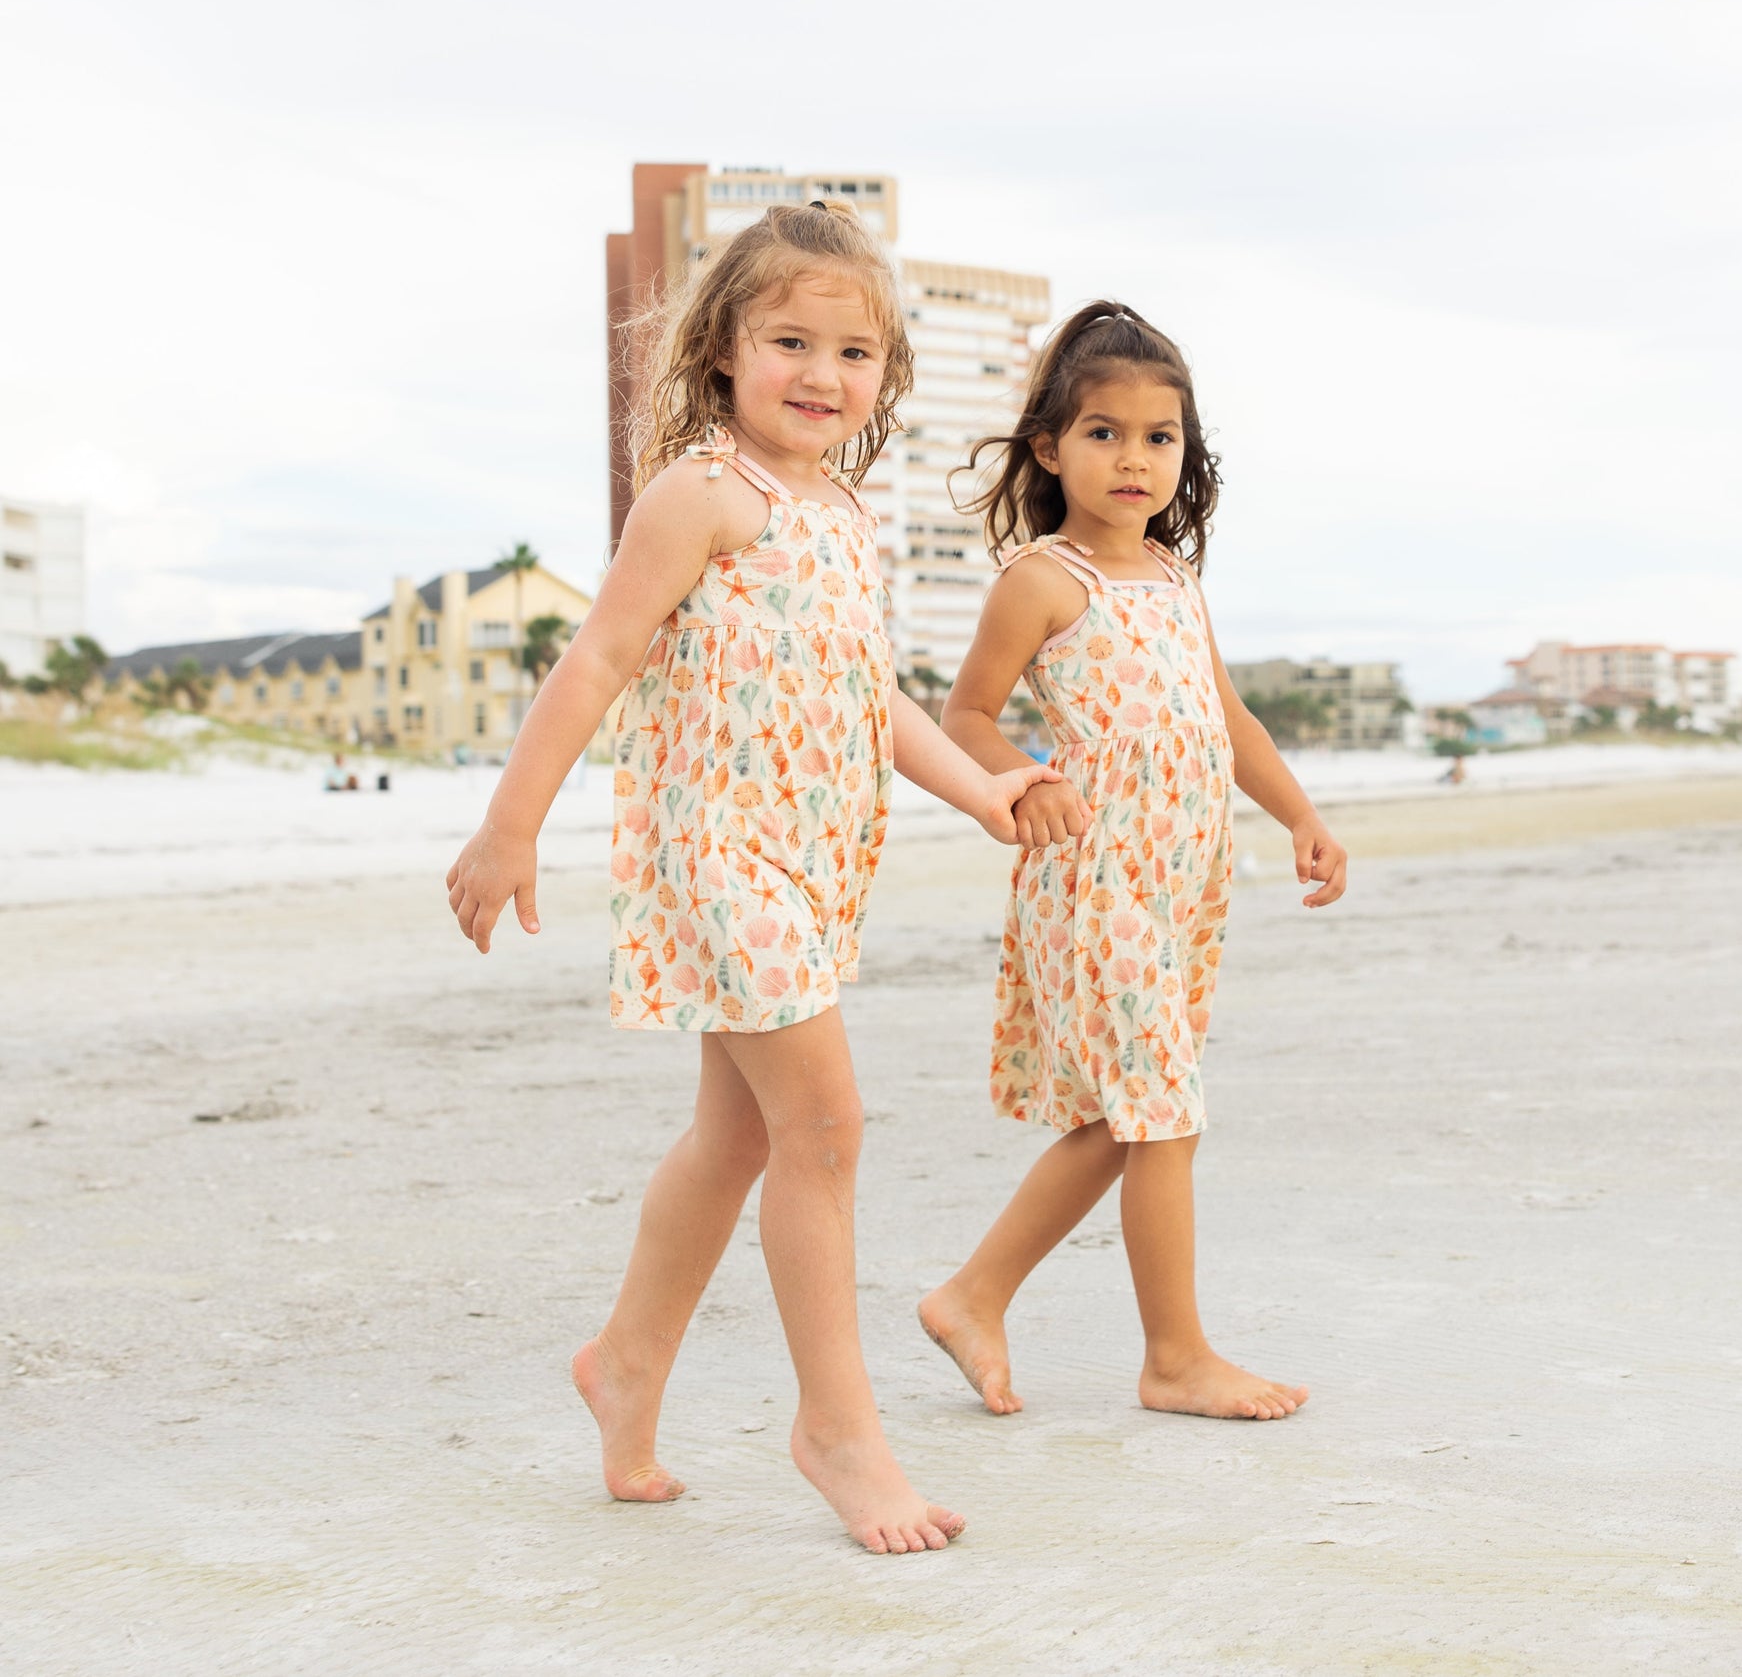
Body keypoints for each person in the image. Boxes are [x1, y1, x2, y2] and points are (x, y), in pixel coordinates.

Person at [443, 202, 1057, 1554]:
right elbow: (596, 658)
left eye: (852, 350)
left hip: (812, 853)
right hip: (717, 854)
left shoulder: (841, 512)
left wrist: (982, 787)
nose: (821, 374)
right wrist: (509, 823)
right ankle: (835, 1425)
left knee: (735, 1135)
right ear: (722, 345)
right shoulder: (699, 494)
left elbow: (870, 695)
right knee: (824, 1126)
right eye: (790, 339)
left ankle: (626, 1361)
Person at [918, 301, 1348, 1422]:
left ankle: (973, 1294)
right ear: (1051, 447)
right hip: (1093, 878)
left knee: (1128, 1115)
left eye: (1159, 437)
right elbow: (963, 715)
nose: (1133, 458)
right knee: (1161, 1112)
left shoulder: (1171, 577)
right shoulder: (1044, 579)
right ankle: (1174, 1359)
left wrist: (1298, 815)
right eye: (1103, 432)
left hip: (1180, 885)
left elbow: (1228, 718)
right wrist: (1024, 777)